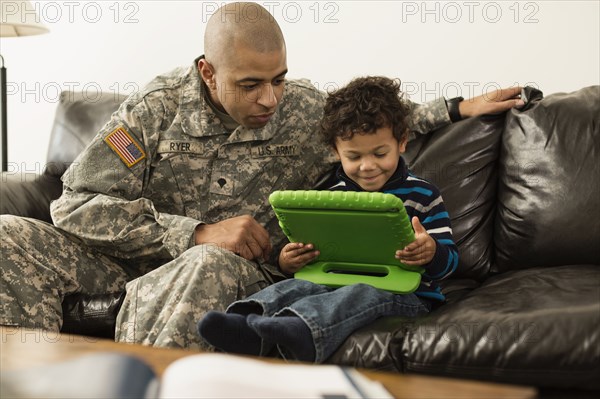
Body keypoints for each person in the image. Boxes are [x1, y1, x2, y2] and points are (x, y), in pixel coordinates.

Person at [0, 2, 521, 350]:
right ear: (208, 72)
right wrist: (194, 231)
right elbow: (75, 204)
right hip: (134, 264)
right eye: (250, 84)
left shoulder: (300, 111)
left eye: (278, 80)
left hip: (243, 273)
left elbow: (374, 125)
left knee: (206, 262)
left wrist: (456, 106)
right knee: (7, 235)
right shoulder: (151, 112)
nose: (270, 99)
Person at [197, 76, 458, 362]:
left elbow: (449, 264)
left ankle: (302, 330)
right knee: (299, 286)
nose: (368, 166)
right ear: (335, 152)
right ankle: (244, 322)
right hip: (335, 282)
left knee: (361, 292)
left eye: (380, 153)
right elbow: (314, 259)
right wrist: (289, 260)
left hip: (409, 294)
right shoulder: (328, 197)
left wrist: (431, 251)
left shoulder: (423, 194)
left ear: (402, 142)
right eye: (354, 156)